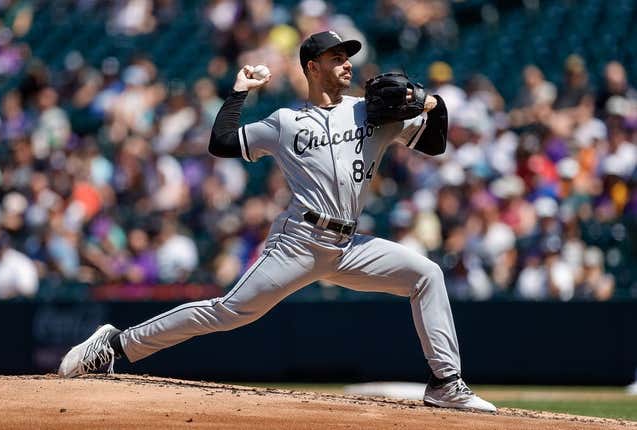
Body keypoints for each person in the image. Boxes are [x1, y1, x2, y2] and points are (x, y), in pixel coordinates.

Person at [58, 31, 496, 413]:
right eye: (337, 58)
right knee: (227, 312)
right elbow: (223, 142)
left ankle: (445, 384)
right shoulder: (285, 122)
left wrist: (433, 105)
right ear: (312, 66)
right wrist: (238, 92)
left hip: (350, 246)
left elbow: (435, 145)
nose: (347, 65)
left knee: (427, 275)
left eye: (348, 57)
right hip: (299, 242)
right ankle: (114, 345)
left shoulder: (371, 112)